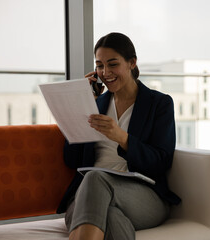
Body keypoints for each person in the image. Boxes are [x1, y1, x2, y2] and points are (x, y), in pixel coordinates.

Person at [56, 32, 181, 240]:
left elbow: (161, 161)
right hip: (87, 197)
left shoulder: (159, 104)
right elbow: (72, 159)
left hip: (142, 195)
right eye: (99, 65)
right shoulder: (95, 105)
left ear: (132, 63)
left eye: (112, 64)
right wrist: (81, 105)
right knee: (111, 216)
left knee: (96, 177)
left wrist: (122, 138)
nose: (105, 72)